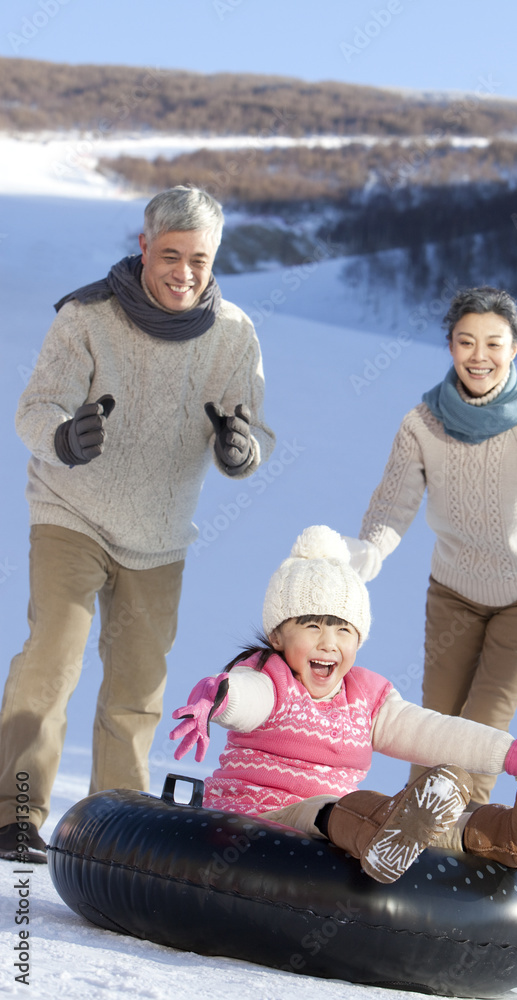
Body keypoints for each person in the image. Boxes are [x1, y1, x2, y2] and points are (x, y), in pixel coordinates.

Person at [0, 186, 275, 865]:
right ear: (144, 247)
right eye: (170, 255)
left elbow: (252, 427)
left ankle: (110, 829)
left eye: (199, 259)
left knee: (138, 688)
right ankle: (14, 813)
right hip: (72, 511)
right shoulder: (86, 317)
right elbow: (35, 409)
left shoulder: (234, 333)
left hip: (160, 533)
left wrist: (240, 449)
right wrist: (66, 436)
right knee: (51, 662)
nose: (184, 272)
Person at [170, 525, 517, 890]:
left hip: (346, 816)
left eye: (343, 630)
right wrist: (217, 697)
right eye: (312, 625)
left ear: (358, 640)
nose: (329, 642)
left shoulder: (366, 697)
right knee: (335, 809)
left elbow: (438, 732)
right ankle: (385, 838)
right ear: (278, 638)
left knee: (439, 827)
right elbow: (246, 697)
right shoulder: (271, 679)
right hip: (262, 813)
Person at [344, 286, 517, 806]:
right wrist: (371, 548)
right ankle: (411, 834)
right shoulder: (423, 423)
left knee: (483, 721)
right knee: (432, 725)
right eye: (466, 341)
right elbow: (393, 502)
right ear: (450, 345)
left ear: (514, 347)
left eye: (493, 343)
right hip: (453, 591)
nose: (480, 356)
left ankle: (462, 837)